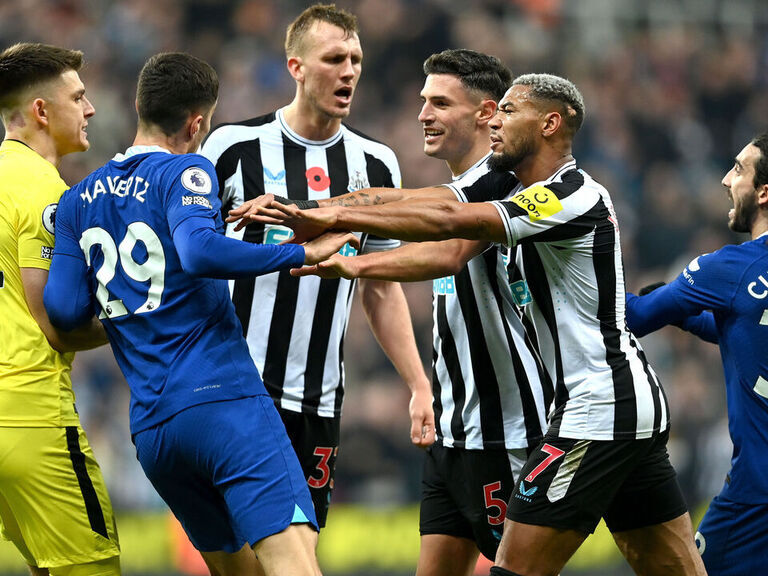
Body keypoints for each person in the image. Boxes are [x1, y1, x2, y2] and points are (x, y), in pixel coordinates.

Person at [241, 73, 707, 576]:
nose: (497, 122)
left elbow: (448, 224)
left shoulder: (570, 194)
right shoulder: (510, 183)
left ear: (550, 124)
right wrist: (327, 212)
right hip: (616, 404)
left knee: (514, 568)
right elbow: (421, 201)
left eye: (509, 112)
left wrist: (336, 222)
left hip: (598, 406)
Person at [43, 52, 358, 576]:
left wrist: (131, 304)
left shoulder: (77, 202)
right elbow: (199, 253)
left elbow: (65, 309)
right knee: (296, 566)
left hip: (154, 431)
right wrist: (302, 252)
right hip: (223, 404)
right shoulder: (186, 169)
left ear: (139, 104)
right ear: (197, 123)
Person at [291, 49, 551, 576]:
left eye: (439, 102)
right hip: (455, 429)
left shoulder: (504, 183)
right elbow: (399, 205)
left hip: (509, 429)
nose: (422, 114)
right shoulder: (447, 192)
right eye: (421, 101)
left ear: (485, 113)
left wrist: (353, 260)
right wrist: (424, 387)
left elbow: (448, 245)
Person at [200, 2, 433, 531]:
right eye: (333, 58)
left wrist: (418, 383)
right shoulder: (233, 149)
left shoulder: (377, 164)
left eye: (355, 58)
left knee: (299, 542)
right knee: (255, 551)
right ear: (296, 68)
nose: (349, 70)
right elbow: (193, 260)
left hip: (317, 401)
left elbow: (381, 286)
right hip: (237, 389)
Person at [0, 42, 121, 576]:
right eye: (78, 96)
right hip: (32, 417)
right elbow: (56, 326)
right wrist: (140, 315)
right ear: (42, 112)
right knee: (91, 568)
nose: (90, 108)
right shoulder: (46, 193)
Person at [625, 133, 768, 576]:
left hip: (757, 494)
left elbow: (632, 317)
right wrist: (687, 318)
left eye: (739, 169)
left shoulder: (729, 268)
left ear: (764, 193)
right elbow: (747, 334)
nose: (726, 179)